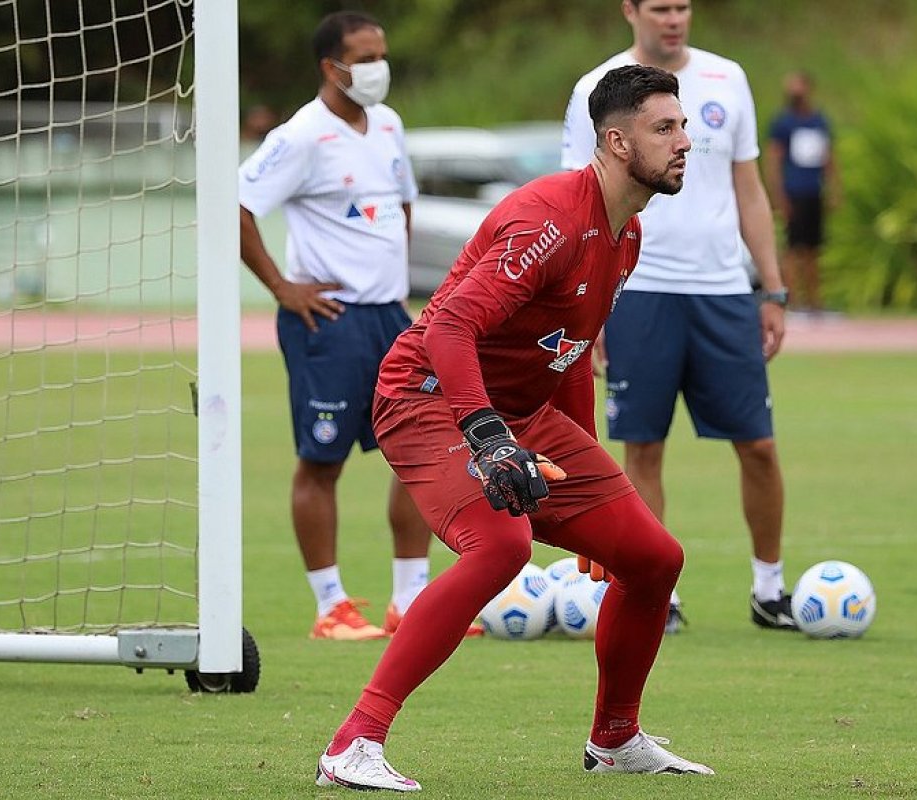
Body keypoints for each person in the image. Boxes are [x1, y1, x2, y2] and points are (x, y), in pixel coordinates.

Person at [315, 65, 714, 792]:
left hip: (522, 413)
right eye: (667, 128)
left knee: (653, 558)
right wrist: (487, 435)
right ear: (618, 142)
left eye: (684, 125)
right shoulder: (549, 219)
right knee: (502, 545)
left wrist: (596, 486)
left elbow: (566, 356)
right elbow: (451, 329)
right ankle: (353, 744)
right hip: (428, 396)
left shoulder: (626, 237)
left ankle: (616, 739)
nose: (686, 141)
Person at [561, 0, 796, 634]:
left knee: (760, 446)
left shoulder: (728, 78)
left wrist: (770, 287)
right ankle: (654, 595)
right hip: (638, 293)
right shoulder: (598, 88)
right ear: (630, 11)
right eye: (660, 7)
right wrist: (591, 304)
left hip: (722, 291)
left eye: (683, 6)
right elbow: (580, 204)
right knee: (644, 448)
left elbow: (748, 187)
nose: (674, 18)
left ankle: (769, 590)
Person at [238, 12, 469, 641]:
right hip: (329, 321)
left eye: (381, 55)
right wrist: (283, 289)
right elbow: (236, 208)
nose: (377, 68)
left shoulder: (389, 125)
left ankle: (410, 598)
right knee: (323, 461)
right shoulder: (300, 137)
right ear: (330, 67)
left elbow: (403, 205)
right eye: (364, 58)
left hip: (392, 318)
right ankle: (330, 605)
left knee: (420, 452)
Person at [765, 70, 839, 315]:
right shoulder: (783, 123)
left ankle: (815, 303)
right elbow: (773, 160)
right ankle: (792, 301)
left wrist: (834, 187)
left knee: (813, 249)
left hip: (813, 192)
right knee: (792, 248)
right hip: (793, 192)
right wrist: (778, 195)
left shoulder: (819, 121)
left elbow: (828, 157)